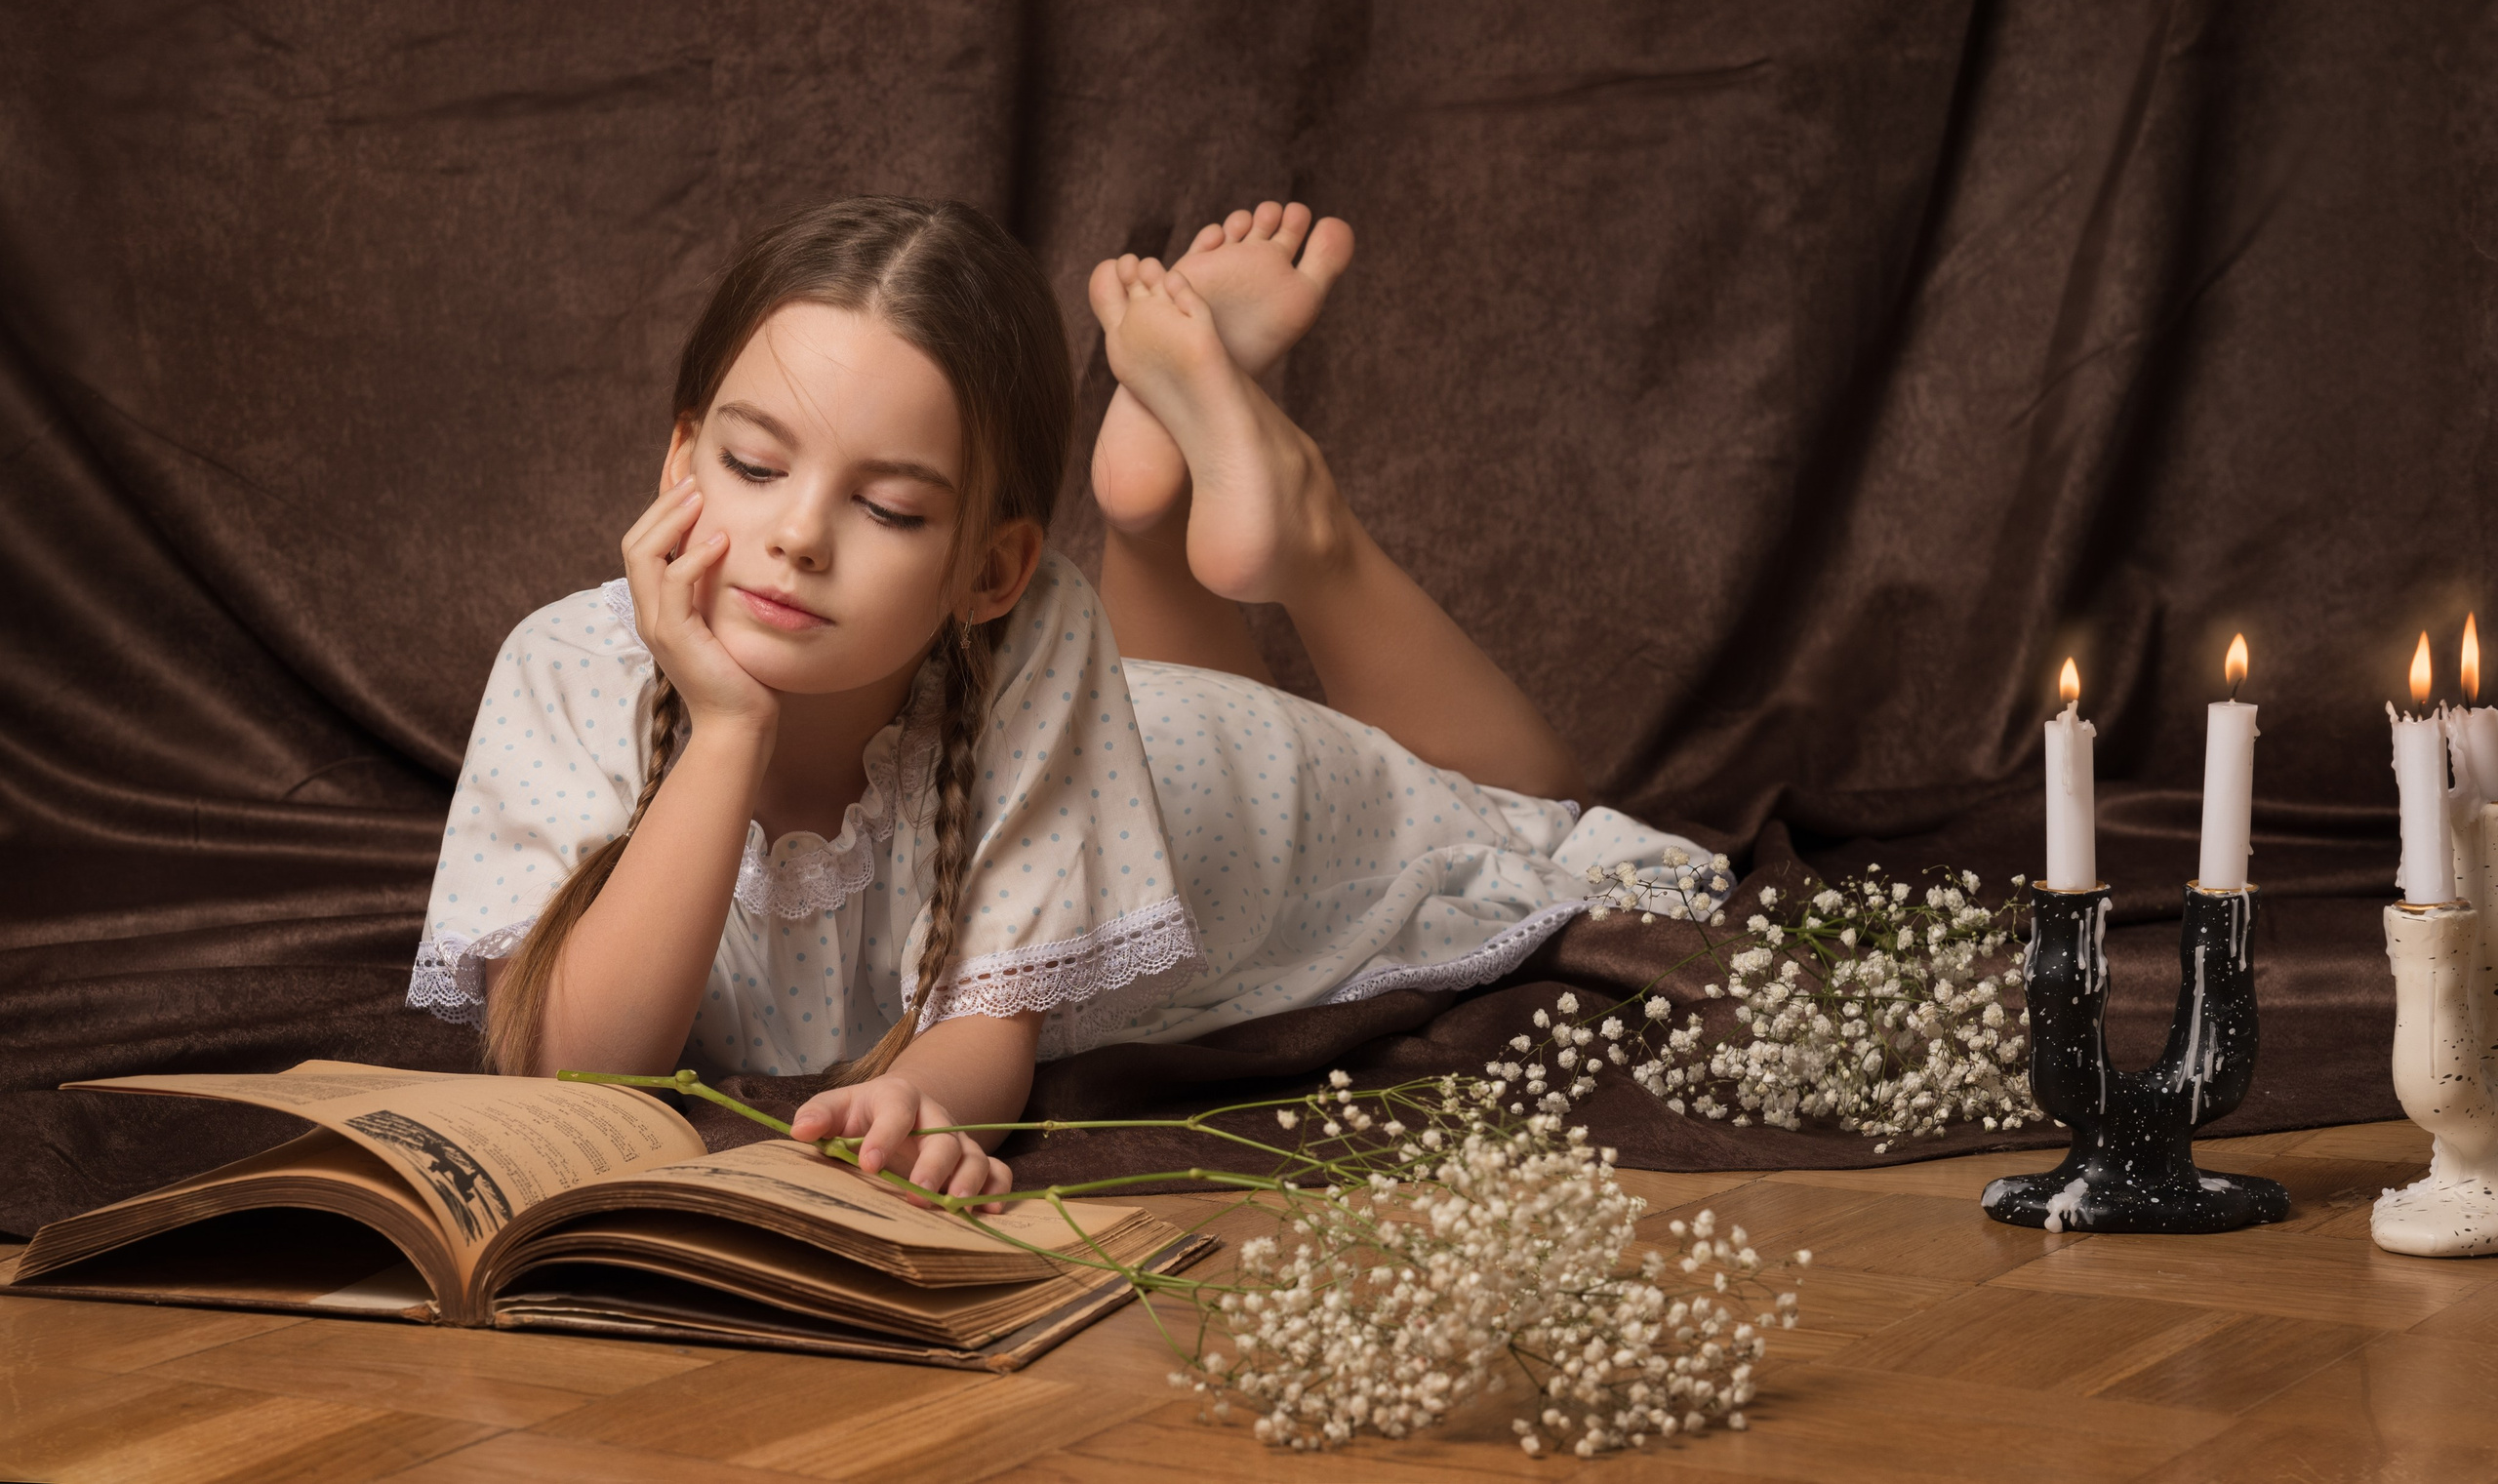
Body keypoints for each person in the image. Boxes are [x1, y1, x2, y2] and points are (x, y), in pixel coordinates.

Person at [408, 196, 1714, 1206]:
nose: (796, 536)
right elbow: (578, 1069)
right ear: (680, 457)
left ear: (989, 567)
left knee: (1525, 807)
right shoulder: (565, 665)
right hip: (1123, 726)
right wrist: (732, 727)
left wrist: (927, 1096)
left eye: (888, 506)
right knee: (1187, 689)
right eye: (754, 464)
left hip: (1224, 786)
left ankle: (1298, 522)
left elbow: (991, 1034)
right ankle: (1154, 501)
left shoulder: (1034, 639)